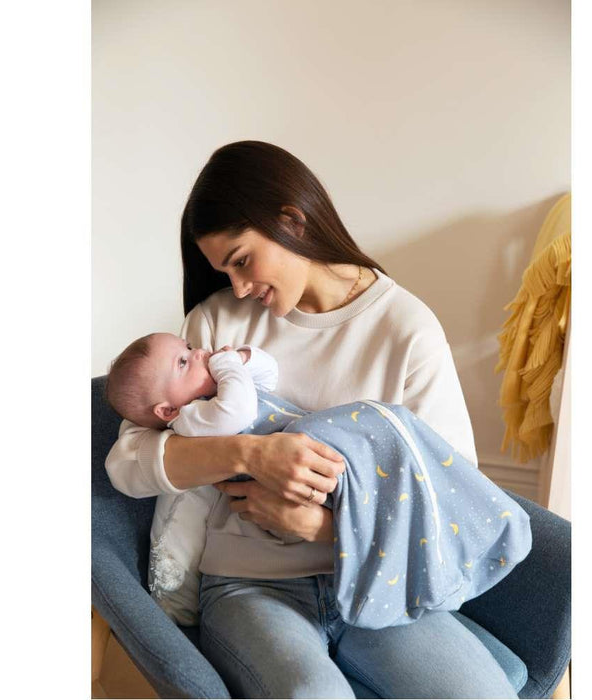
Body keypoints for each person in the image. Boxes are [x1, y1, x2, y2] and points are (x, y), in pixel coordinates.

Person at [105, 140, 522, 698]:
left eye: (242, 260)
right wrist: (252, 454)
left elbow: (451, 500)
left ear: (291, 221)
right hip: (251, 586)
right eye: (224, 271)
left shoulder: (406, 330)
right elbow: (128, 464)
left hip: (375, 580)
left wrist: (320, 528)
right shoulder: (215, 325)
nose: (238, 287)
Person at [105, 332, 532, 631]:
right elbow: (238, 411)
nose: (199, 352)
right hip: (302, 464)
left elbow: (267, 377)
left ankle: (472, 531)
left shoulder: (410, 332)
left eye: (189, 347)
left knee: (391, 430)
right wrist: (229, 367)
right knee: (375, 421)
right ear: (166, 411)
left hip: (314, 478)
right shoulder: (193, 418)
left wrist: (245, 358)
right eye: (184, 361)